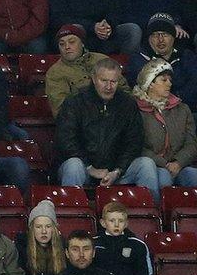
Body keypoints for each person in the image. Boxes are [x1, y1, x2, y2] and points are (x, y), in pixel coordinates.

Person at [56, 57, 156, 190]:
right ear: (93, 78)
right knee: (74, 165)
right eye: (103, 81)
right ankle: (72, 208)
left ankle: (150, 210)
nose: (109, 87)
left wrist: (117, 170)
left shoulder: (128, 104)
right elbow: (66, 141)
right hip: (83, 167)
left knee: (146, 164)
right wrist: (89, 168)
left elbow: (134, 142)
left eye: (113, 82)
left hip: (116, 171)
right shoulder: (75, 102)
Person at [135, 56, 197, 191]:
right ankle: (160, 211)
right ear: (150, 83)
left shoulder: (183, 109)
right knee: (164, 178)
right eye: (163, 80)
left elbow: (192, 143)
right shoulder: (135, 110)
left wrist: (179, 162)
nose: (169, 83)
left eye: (170, 80)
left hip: (181, 165)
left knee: (194, 176)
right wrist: (165, 164)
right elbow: (137, 145)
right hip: (155, 166)